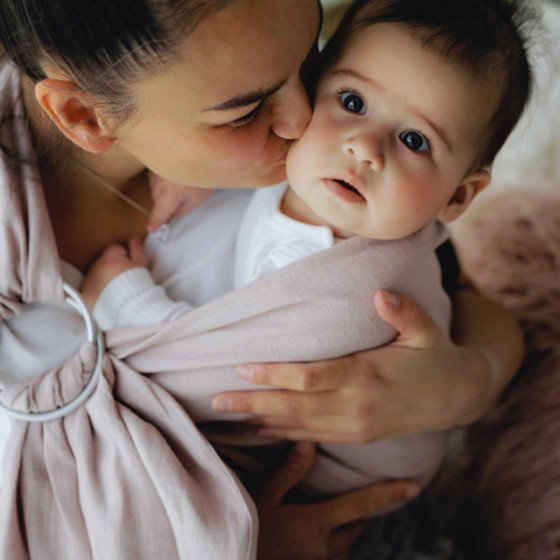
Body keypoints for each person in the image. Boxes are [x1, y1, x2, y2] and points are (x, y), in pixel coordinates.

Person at [0, 0, 526, 558]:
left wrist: (470, 380)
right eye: (245, 110)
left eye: (308, 62)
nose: (304, 121)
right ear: (84, 115)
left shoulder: (323, 189)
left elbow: (464, 295)